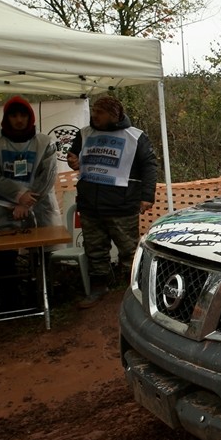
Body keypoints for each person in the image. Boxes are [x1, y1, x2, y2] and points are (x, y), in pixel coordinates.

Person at [67, 95, 157, 308]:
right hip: (90, 204)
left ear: (113, 115)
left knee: (129, 251)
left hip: (122, 205)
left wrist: (147, 196)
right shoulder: (84, 133)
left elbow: (149, 166)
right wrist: (73, 160)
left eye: (100, 112)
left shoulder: (135, 136)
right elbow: (73, 156)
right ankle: (99, 287)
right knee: (94, 249)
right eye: (94, 110)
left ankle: (135, 291)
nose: (94, 115)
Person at [0, 96, 62, 284]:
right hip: (3, 209)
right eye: (13, 115)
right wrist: (19, 196)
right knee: (3, 256)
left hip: (39, 207)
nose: (19, 120)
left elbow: (47, 177)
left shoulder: (45, 142)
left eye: (23, 115)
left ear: (30, 117)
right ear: (6, 118)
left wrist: (28, 202)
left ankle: (41, 298)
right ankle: (11, 299)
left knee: (40, 256)